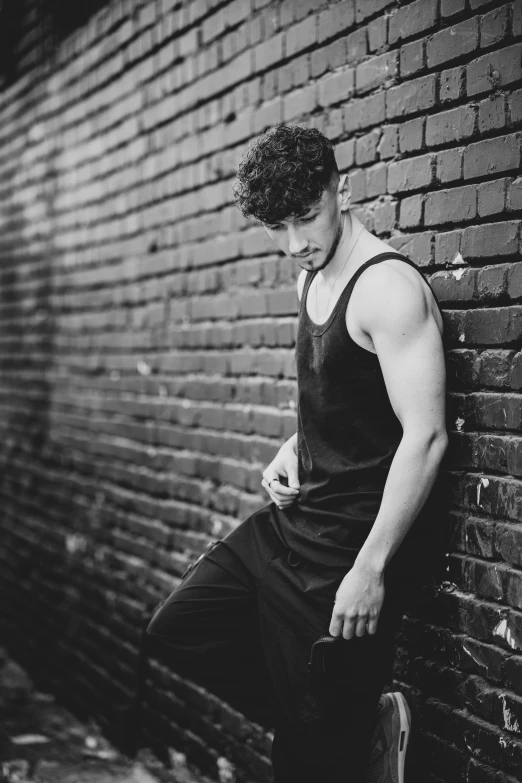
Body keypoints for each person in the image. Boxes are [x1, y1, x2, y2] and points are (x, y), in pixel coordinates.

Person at [145, 124, 448, 783]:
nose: (296, 242)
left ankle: (333, 724)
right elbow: (343, 401)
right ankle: (345, 719)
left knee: (304, 767)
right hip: (291, 527)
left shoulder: (387, 289)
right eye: (278, 227)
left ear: (341, 188)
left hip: (348, 550)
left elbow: (425, 437)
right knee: (177, 628)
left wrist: (371, 567)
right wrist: (294, 446)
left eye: (306, 218)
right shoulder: (312, 276)